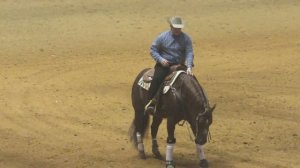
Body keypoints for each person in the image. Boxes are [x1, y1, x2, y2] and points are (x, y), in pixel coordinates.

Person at [145, 16, 195, 114]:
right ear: (171, 26)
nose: (177, 30)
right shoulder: (162, 37)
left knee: (191, 81)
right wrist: (161, 60)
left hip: (179, 65)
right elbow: (153, 50)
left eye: (179, 28)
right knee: (157, 79)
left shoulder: (186, 39)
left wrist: (189, 67)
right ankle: (151, 102)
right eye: (175, 28)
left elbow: (189, 52)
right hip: (164, 65)